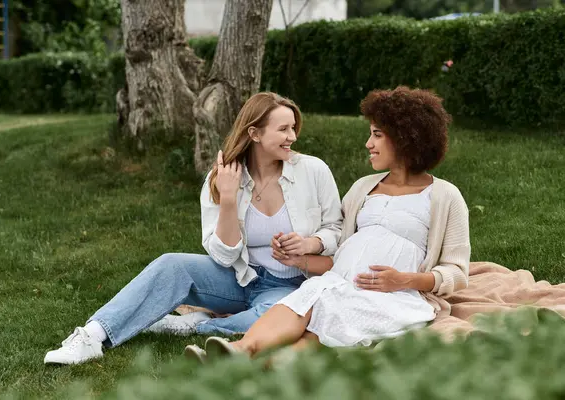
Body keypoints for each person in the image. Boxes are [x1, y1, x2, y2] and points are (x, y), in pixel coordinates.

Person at [44, 92, 343, 365]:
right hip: (239, 278)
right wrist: (228, 198)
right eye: (283, 129)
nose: (292, 136)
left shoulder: (313, 171)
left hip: (289, 287)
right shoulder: (223, 177)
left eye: (293, 128)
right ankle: (92, 336)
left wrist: (310, 244)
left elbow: (335, 228)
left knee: (281, 317)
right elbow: (224, 258)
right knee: (172, 265)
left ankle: (195, 324)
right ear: (254, 133)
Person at [188, 86, 470, 360]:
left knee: (324, 319)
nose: (368, 144)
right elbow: (342, 254)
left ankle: (264, 367)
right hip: (338, 283)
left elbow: (457, 272)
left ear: (405, 138)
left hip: (394, 295)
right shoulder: (363, 188)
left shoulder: (444, 196)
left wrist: (403, 280)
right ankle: (239, 351)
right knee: (307, 298)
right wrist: (299, 260)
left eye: (377, 135)